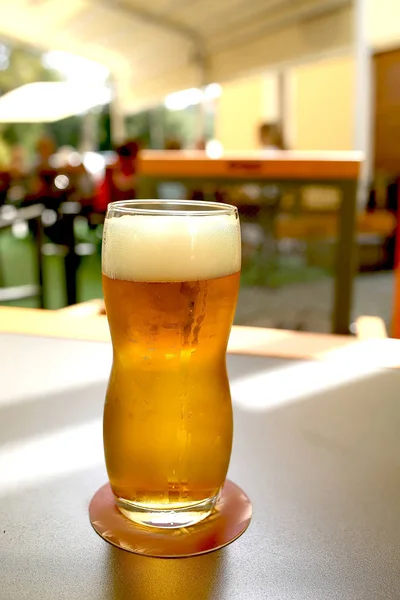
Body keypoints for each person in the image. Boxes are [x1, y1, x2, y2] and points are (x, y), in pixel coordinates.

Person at [94, 140, 140, 213]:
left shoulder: (117, 169)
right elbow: (123, 185)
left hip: (114, 206)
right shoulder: (113, 170)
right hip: (108, 207)